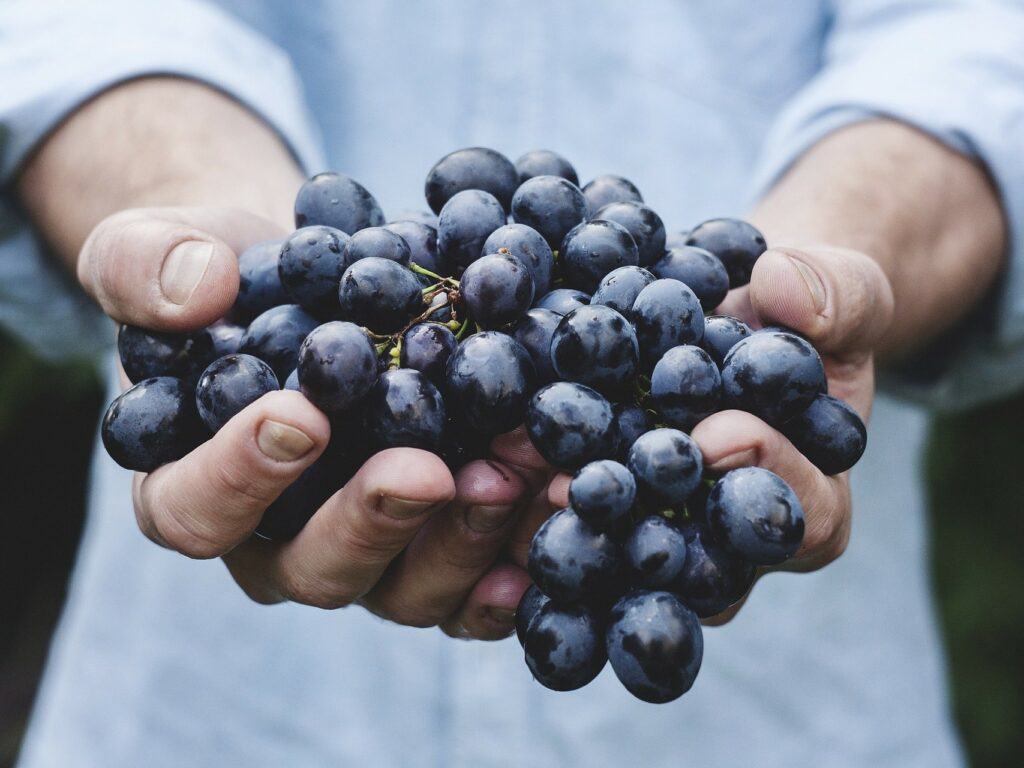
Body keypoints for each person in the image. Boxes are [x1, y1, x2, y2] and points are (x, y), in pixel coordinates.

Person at [2, 1, 1023, 765]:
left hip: (784, 714)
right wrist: (186, 214)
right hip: (215, 714)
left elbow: (974, 47)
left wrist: (836, 258)